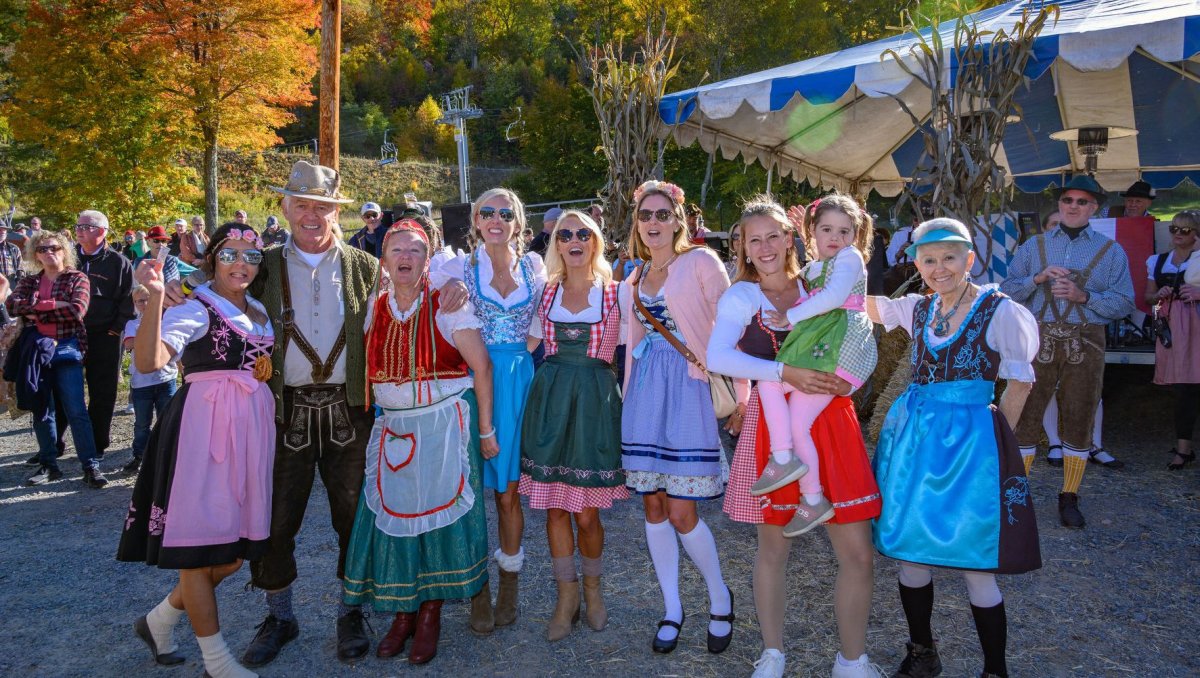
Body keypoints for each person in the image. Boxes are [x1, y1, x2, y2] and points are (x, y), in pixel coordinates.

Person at [163, 161, 379, 666]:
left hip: (349, 410)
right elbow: (216, 280)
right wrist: (173, 287)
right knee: (276, 520)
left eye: (321, 206)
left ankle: (351, 611)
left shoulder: (365, 266)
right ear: (284, 208)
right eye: (301, 204)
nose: (311, 214)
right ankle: (280, 615)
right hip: (283, 411)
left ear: (335, 212)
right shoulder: (263, 265)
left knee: (354, 518)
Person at [707, 197, 883, 678]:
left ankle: (852, 661)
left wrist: (855, 377)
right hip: (777, 427)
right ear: (742, 246)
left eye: (773, 236)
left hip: (832, 419)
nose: (764, 247)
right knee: (774, 548)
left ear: (791, 237)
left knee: (858, 554)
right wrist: (786, 370)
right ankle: (773, 653)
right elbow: (718, 356)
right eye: (752, 239)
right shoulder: (742, 296)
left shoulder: (825, 275)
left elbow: (860, 330)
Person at [866, 217, 1042, 678]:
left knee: (975, 562)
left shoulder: (998, 309)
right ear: (917, 263)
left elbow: (1020, 383)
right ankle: (923, 653)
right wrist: (825, 259)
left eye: (948, 258)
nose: (938, 268)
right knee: (911, 552)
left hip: (970, 448)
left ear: (969, 259)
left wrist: (997, 439)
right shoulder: (918, 309)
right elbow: (860, 307)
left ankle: (994, 669)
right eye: (928, 260)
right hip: (917, 447)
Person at [118, 223, 275, 678]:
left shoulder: (260, 308)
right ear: (212, 259)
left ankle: (160, 619)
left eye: (251, 255)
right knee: (199, 549)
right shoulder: (195, 306)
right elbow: (150, 363)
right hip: (204, 431)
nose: (241, 264)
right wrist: (152, 300)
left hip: (250, 431)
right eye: (230, 254)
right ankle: (217, 661)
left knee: (230, 554)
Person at [342, 221, 495, 665]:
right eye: (396, 249)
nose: (405, 256)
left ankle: (430, 614)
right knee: (397, 520)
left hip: (444, 424)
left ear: (428, 260)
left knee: (437, 524)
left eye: (415, 249)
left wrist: (485, 432)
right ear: (383, 258)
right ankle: (403, 614)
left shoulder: (447, 305)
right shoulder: (374, 306)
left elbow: (481, 368)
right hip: (394, 427)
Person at [620, 179, 739, 655]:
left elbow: (733, 328)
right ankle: (672, 607)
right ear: (637, 224)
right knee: (652, 506)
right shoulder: (633, 276)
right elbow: (630, 343)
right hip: (646, 394)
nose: (653, 223)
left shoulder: (702, 262)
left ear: (678, 220)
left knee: (681, 510)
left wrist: (743, 395)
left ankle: (718, 596)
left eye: (662, 215)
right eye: (645, 216)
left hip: (690, 389)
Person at [432, 187, 545, 630]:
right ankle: (477, 589)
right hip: (473, 382)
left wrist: (523, 357)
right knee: (471, 491)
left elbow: (544, 318)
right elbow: (425, 286)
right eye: (486, 212)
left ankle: (510, 585)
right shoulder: (457, 267)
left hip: (519, 382)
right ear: (476, 221)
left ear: (518, 222)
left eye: (505, 212)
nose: (495, 219)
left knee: (508, 492)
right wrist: (449, 285)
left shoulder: (536, 267)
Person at [1001, 174, 1136, 528]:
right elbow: (1007, 291)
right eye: (1067, 201)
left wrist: (1084, 297)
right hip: (1037, 335)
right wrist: (1037, 279)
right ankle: (1019, 496)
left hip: (1087, 338)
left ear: (1094, 207)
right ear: (1059, 205)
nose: (1072, 207)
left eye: (1081, 202)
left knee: (1080, 414)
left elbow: (1125, 302)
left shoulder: (1110, 251)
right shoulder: (1035, 247)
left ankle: (1069, 496)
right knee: (1026, 414)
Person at [520, 210, 627, 642]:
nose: (574, 240)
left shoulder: (617, 294)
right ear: (556, 244)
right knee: (555, 506)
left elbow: (635, 353)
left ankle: (593, 590)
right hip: (550, 403)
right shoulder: (545, 294)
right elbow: (520, 345)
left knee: (586, 512)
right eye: (565, 234)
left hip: (594, 406)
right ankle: (566, 597)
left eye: (583, 233)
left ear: (595, 242)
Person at [751, 193, 878, 537]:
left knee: (777, 393)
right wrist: (803, 235)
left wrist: (789, 316)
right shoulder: (820, 264)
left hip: (838, 348)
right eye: (827, 229)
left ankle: (786, 465)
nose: (836, 238)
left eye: (844, 231)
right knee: (787, 411)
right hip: (824, 346)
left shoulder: (850, 259)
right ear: (813, 232)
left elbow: (834, 296)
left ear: (856, 236)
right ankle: (811, 495)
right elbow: (816, 273)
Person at [7, 230, 106, 488]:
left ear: (64, 250)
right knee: (43, 411)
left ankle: (90, 466)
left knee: (76, 410)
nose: (49, 253)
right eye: (42, 249)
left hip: (67, 348)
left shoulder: (77, 278)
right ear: (35, 255)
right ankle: (49, 465)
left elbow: (77, 311)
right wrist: (55, 305)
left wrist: (39, 307)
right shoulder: (30, 280)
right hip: (37, 352)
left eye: (54, 248)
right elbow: (12, 306)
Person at [60, 209, 134, 462]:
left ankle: (96, 445)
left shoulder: (118, 262)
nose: (80, 230)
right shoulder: (67, 260)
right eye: (78, 225)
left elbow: (127, 300)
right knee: (62, 388)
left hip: (104, 335)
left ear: (102, 231)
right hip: (68, 334)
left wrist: (115, 329)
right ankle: (54, 443)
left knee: (102, 391)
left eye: (86, 226)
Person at [1146, 211, 1200, 470]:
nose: (1178, 234)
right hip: (1173, 328)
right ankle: (1183, 449)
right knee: (1184, 389)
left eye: (1186, 230)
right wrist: (1160, 293)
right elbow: (1147, 298)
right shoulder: (1158, 261)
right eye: (1174, 229)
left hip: (1197, 324)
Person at [120, 285, 180, 475]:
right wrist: (150, 337)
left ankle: (168, 456)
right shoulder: (132, 324)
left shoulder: (167, 320)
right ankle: (140, 456)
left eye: (148, 299)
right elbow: (128, 343)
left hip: (166, 379)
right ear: (135, 304)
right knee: (142, 424)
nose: (145, 304)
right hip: (142, 383)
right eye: (140, 301)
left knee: (167, 420)